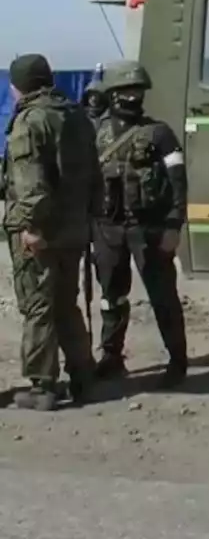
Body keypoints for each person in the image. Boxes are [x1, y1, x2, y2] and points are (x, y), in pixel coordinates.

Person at [2, 53, 99, 410]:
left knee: (38, 307)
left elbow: (32, 187)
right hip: (74, 229)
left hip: (42, 231)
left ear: (18, 86)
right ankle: (83, 377)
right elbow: (94, 175)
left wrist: (31, 226)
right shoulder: (76, 115)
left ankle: (43, 386)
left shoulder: (30, 121)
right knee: (65, 305)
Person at [91, 62, 189, 389]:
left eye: (137, 91)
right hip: (107, 229)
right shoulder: (95, 132)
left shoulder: (160, 134)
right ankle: (111, 356)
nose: (132, 97)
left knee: (164, 297)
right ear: (112, 94)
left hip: (150, 229)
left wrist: (174, 225)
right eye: (126, 92)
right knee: (110, 296)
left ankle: (178, 360)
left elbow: (178, 183)